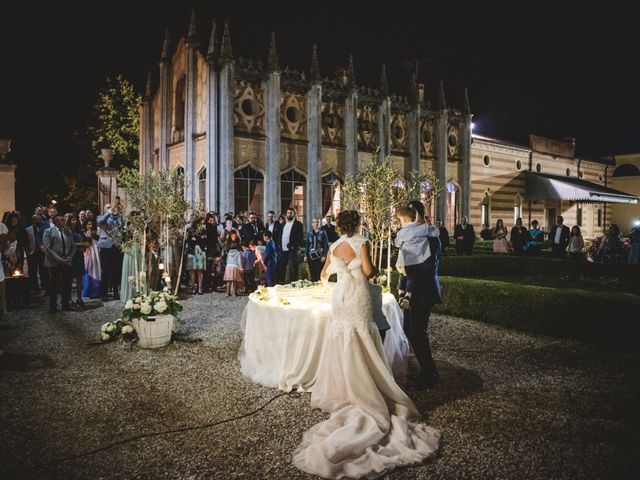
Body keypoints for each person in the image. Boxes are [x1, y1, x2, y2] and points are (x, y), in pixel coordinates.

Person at [294, 209, 439, 478]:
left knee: (342, 338)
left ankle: (343, 386)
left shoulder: (334, 245)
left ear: (338, 226)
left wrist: (337, 276)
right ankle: (366, 385)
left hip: (340, 298)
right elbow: (369, 270)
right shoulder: (362, 242)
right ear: (358, 224)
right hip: (358, 295)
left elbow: (324, 274)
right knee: (362, 336)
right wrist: (375, 275)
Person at [403, 201, 443, 390]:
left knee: (418, 332)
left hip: (424, 291)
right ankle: (427, 370)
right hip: (413, 292)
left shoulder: (431, 236)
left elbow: (428, 265)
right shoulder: (413, 236)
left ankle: (429, 374)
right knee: (409, 330)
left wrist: (407, 267)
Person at [394, 206, 430, 310]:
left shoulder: (403, 232)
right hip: (417, 261)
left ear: (404, 220)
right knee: (411, 278)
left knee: (403, 277)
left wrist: (395, 241)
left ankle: (401, 295)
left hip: (404, 261)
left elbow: (397, 244)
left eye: (400, 220)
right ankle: (407, 296)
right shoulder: (422, 229)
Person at [43, 215, 76, 313]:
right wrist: (59, 259)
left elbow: (73, 246)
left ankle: (65, 304)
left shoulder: (68, 232)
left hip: (67, 260)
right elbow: (47, 248)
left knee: (67, 283)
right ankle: (53, 305)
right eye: (62, 220)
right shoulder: (48, 231)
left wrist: (70, 257)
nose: (64, 221)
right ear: (56, 221)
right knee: (54, 284)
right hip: (54, 262)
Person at [65, 213, 89, 307]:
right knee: (69, 279)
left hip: (79, 256)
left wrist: (83, 246)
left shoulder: (79, 231)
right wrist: (79, 245)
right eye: (72, 219)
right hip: (71, 256)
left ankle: (79, 298)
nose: (74, 221)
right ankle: (68, 299)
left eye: (75, 219)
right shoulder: (67, 231)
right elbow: (69, 244)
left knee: (79, 278)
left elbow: (86, 242)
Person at [276, 208, 304, 283]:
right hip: (282, 249)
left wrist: (293, 246)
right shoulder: (283, 224)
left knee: (293, 267)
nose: (289, 214)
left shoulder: (298, 224)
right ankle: (281, 283)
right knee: (281, 267)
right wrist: (279, 245)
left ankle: (293, 283)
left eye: (291, 213)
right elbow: (280, 235)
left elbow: (300, 238)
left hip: (292, 250)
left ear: (294, 214)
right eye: (288, 213)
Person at [186, 216, 207, 295]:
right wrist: (194, 239)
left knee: (200, 269)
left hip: (200, 250)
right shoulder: (189, 230)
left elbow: (204, 239)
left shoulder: (203, 230)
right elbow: (188, 240)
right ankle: (193, 287)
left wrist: (198, 239)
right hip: (192, 251)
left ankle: (200, 287)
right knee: (192, 270)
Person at [25, 214, 47, 290]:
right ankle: (34, 287)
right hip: (32, 252)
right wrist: (28, 251)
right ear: (33, 220)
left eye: (40, 219)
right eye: (37, 220)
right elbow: (26, 241)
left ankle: (44, 285)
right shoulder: (28, 229)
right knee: (32, 271)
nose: (39, 221)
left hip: (42, 252)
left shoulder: (43, 228)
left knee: (43, 270)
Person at [82, 220, 101, 299]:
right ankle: (87, 292)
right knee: (88, 271)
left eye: (91, 224)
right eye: (88, 224)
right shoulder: (83, 234)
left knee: (96, 271)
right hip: (87, 254)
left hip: (95, 254)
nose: (90, 226)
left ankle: (96, 292)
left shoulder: (95, 234)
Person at [223, 230, 243, 296]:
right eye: (232, 236)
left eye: (235, 236)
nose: (234, 237)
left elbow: (226, 258)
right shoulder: (228, 244)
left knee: (229, 280)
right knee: (234, 280)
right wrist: (240, 266)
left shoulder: (236, 244)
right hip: (235, 265)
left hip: (229, 265)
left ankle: (228, 292)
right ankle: (233, 292)